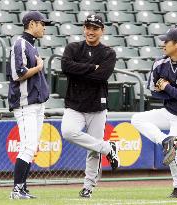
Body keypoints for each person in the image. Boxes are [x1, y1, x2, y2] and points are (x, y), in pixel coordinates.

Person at [131, 28, 177, 198]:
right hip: (169, 111)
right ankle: (165, 140)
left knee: (174, 151)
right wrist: (176, 91)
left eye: (167, 41)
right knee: (137, 119)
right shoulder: (160, 63)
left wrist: (167, 87)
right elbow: (153, 91)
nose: (163, 44)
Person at [61, 14, 120, 198]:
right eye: (88, 27)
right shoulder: (73, 47)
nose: (90, 31)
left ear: (102, 31)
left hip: (97, 105)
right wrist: (91, 67)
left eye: (95, 28)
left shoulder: (108, 53)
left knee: (92, 152)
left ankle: (88, 187)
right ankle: (107, 148)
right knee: (68, 132)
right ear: (83, 28)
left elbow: (101, 76)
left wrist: (79, 69)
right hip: (75, 104)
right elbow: (65, 67)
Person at [7, 11, 50, 199]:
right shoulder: (21, 44)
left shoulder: (31, 45)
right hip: (25, 104)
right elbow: (18, 74)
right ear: (32, 24)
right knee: (28, 146)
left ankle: (22, 188)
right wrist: (39, 68)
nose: (44, 27)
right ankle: (16, 189)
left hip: (36, 103)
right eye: (42, 23)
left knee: (31, 146)